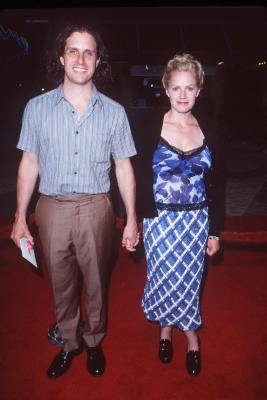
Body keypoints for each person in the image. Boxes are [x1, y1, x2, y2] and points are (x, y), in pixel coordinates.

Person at [11, 22, 139, 379]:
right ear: (60, 56)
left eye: (89, 51)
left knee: (97, 280)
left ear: (99, 60)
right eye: (73, 50)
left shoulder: (114, 112)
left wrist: (130, 218)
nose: (81, 59)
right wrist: (20, 216)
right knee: (61, 282)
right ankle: (70, 343)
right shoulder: (36, 108)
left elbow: (123, 167)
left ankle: (94, 341)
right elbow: (29, 164)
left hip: (98, 206)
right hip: (50, 208)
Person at [137, 53, 225, 376]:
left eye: (190, 88)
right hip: (159, 220)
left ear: (199, 90)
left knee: (190, 280)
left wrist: (215, 230)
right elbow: (135, 176)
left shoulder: (211, 129)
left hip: (196, 221)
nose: (183, 95)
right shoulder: (149, 125)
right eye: (177, 88)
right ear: (166, 88)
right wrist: (134, 220)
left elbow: (219, 183)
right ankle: (164, 328)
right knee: (161, 277)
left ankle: (191, 336)